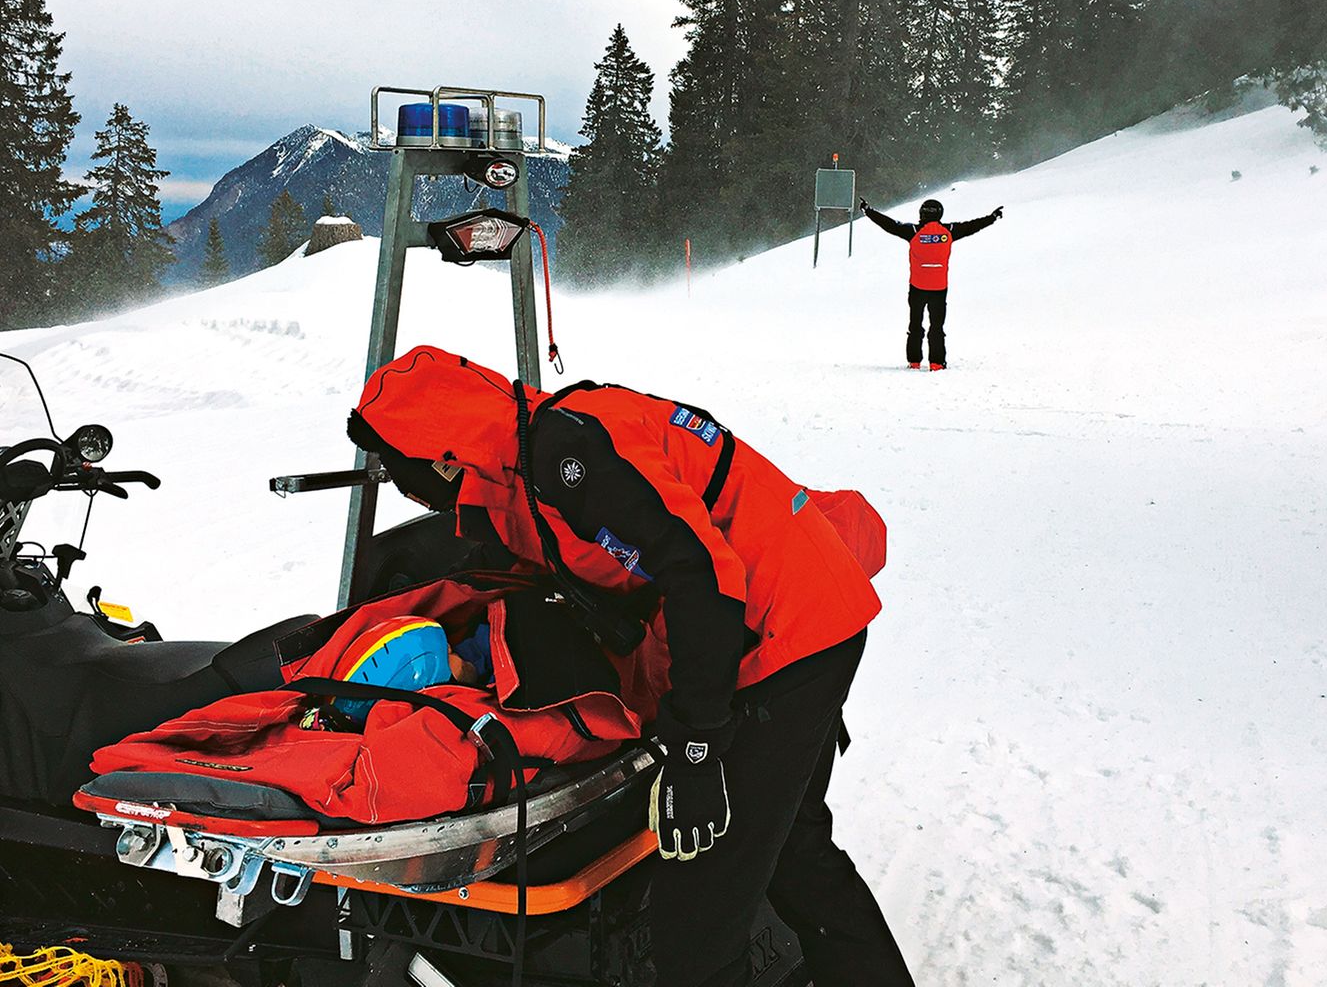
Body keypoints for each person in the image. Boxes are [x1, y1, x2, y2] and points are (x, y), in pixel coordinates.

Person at [348, 347, 914, 987]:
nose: (404, 486)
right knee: (794, 856)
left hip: (780, 636)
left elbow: (703, 578)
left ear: (442, 453)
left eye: (400, 469)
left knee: (698, 926)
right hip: (811, 609)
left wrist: (695, 748)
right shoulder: (532, 445)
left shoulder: (569, 457)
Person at [859, 196, 1003, 370]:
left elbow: (890, 225)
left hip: (917, 287)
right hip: (939, 288)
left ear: (922, 213)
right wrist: (992, 218)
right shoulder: (949, 231)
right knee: (937, 326)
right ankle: (936, 363)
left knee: (915, 325)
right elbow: (972, 226)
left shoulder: (912, 230)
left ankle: (914, 361)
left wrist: (868, 211)